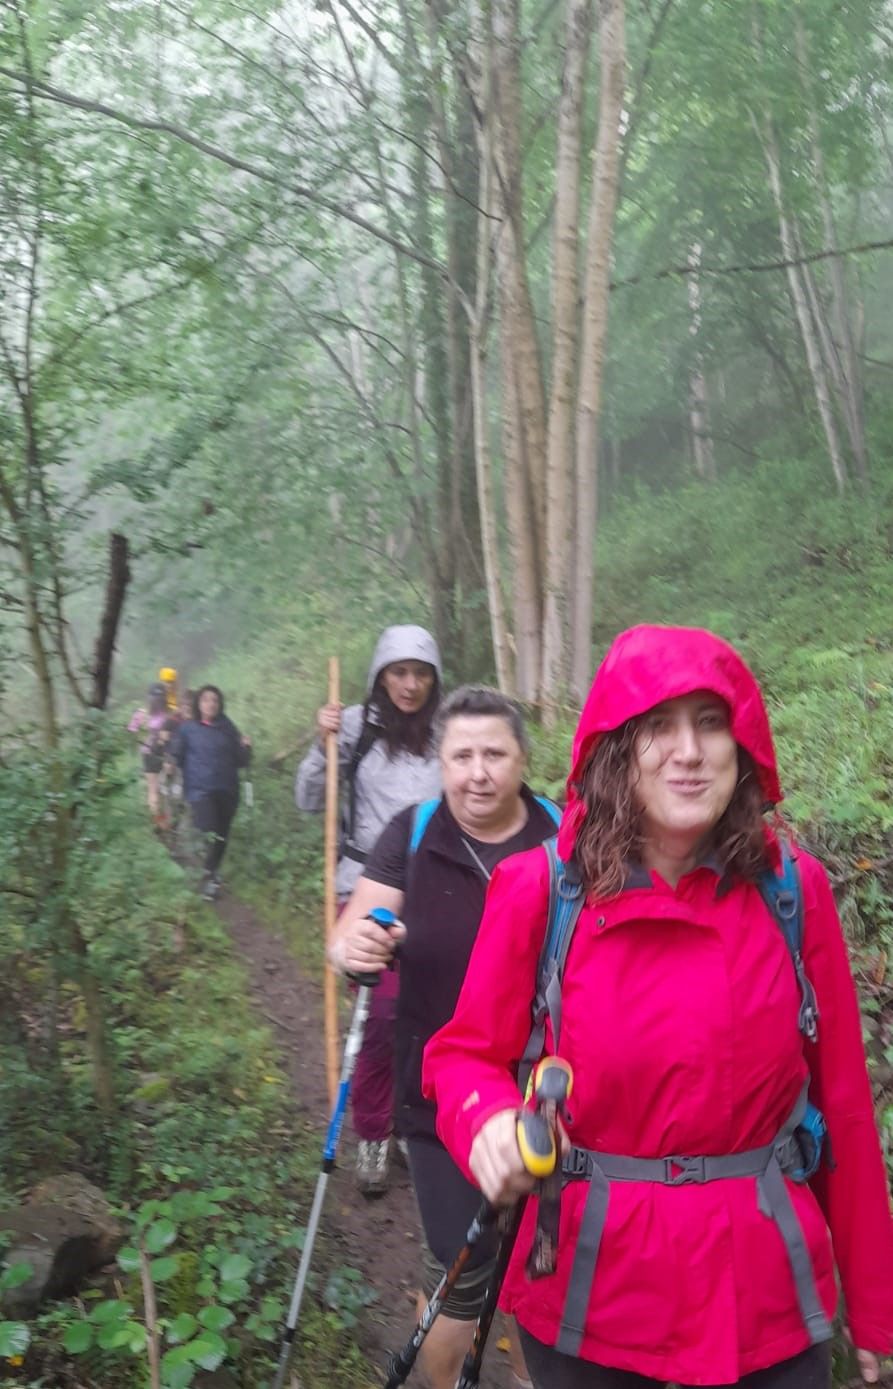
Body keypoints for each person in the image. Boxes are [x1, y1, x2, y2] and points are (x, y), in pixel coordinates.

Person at [423, 626, 893, 1389]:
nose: (688, 750)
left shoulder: (789, 891)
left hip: (765, 1289)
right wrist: (486, 1119)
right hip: (590, 1289)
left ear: (741, 745)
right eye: (658, 725)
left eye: (711, 722)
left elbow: (840, 1103)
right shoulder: (541, 889)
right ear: (616, 747)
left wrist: (874, 1301)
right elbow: (461, 1055)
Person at [329, 685, 561, 1389]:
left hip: (548, 1093)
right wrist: (359, 947)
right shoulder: (415, 828)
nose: (477, 771)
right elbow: (354, 928)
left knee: (540, 1279)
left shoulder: (562, 831)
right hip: (437, 1094)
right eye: (460, 755)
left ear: (523, 757)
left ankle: (526, 1379)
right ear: (440, 760)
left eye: (494, 752)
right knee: (461, 1279)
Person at [295, 624, 443, 1196]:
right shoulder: (354, 728)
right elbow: (308, 799)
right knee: (380, 1019)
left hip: (432, 887)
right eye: (399, 672)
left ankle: (409, 1123)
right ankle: (374, 1132)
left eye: (421, 673)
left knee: (426, 1018)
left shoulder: (444, 733)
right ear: (380, 675)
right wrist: (319, 744)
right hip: (364, 887)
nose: (410, 684)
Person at [171, 685, 252, 900]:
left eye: (215, 700)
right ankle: (203, 878)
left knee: (221, 836)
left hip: (227, 790)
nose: (211, 704)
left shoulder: (228, 727)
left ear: (220, 704)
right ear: (199, 704)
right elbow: (176, 756)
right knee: (207, 829)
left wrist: (246, 747)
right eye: (206, 700)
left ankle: (211, 873)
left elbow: (241, 761)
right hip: (200, 790)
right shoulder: (187, 729)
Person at [128, 682, 179, 830]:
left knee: (153, 789)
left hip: (148, 753)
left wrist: (141, 742)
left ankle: (160, 821)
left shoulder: (141, 714)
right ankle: (168, 820)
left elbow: (132, 732)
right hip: (165, 753)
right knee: (166, 787)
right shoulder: (169, 713)